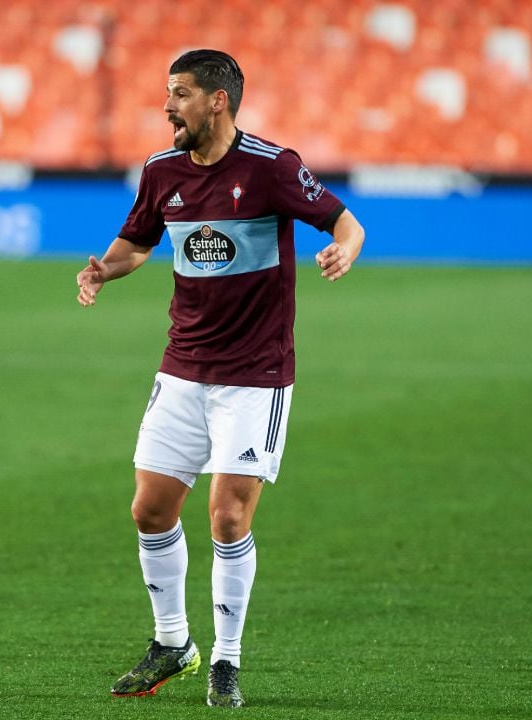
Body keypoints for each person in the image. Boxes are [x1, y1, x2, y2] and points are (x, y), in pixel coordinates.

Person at [76, 49, 365, 708]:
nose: (167, 105)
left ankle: (227, 661)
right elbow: (136, 244)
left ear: (217, 100)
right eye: (167, 92)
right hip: (183, 369)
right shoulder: (161, 172)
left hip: (255, 376)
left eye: (179, 93)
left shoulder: (272, 168)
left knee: (228, 517)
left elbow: (345, 220)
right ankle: (173, 644)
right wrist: (103, 271)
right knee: (150, 508)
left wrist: (344, 248)